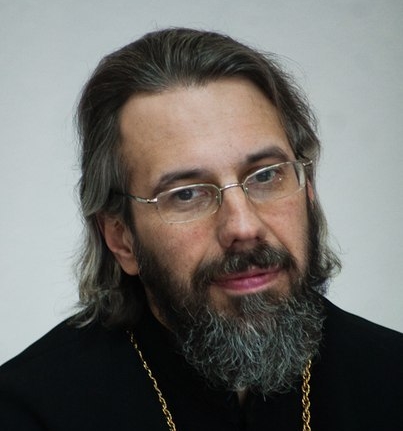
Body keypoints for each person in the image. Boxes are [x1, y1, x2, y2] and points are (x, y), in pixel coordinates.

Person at [0, 28, 402, 431]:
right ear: (121, 238)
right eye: (187, 194)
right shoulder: (28, 411)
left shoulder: (391, 378)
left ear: (308, 188)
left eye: (266, 176)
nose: (243, 226)